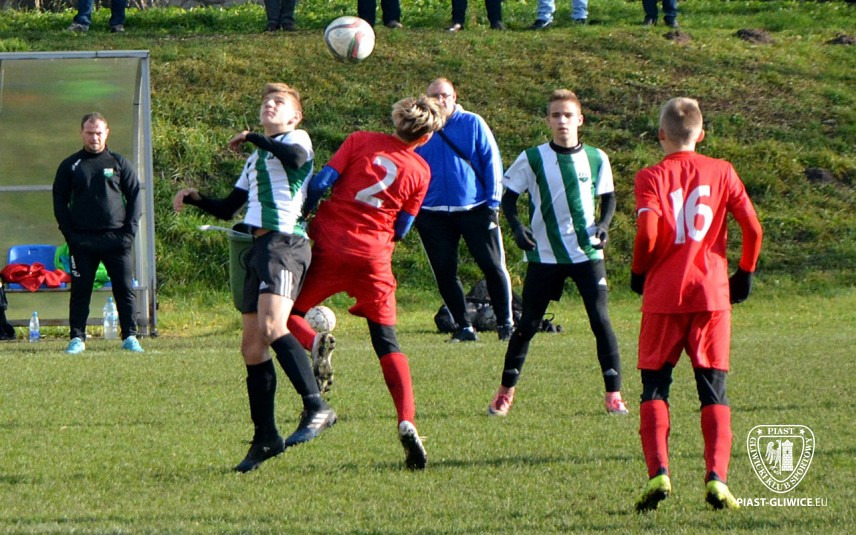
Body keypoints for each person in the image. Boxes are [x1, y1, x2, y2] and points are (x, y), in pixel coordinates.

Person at [172, 83, 334, 473]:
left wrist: (253, 137)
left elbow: (296, 159)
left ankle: (317, 406)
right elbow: (230, 208)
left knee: (273, 325)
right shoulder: (255, 159)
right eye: (265, 102)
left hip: (286, 243)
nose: (269, 105)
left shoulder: (297, 139)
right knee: (251, 347)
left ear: (295, 116)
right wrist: (195, 199)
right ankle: (265, 438)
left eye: (279, 102)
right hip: (257, 247)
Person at [284, 95, 446, 470]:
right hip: (374, 257)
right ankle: (406, 420)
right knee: (386, 341)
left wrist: (304, 213)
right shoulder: (421, 170)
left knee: (288, 314)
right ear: (425, 137)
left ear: (397, 119)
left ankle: (313, 343)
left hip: (331, 243)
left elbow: (323, 181)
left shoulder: (360, 141)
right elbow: (403, 227)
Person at [631, 97, 762, 511]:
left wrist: (638, 270)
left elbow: (648, 232)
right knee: (713, 390)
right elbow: (753, 229)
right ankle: (717, 480)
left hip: (664, 295)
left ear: (661, 135)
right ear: (701, 134)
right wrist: (745, 272)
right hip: (711, 296)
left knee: (655, 386)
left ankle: (659, 473)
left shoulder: (650, 176)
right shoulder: (722, 171)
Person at [486, 89, 628, 417]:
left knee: (600, 320)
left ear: (580, 120)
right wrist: (517, 227)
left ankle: (614, 394)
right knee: (528, 324)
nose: (562, 121)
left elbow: (608, 196)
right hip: (545, 254)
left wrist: (604, 225)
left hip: (586, 252)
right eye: (555, 115)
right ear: (548, 121)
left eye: (568, 115)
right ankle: (505, 392)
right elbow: (509, 198)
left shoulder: (596, 157)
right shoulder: (532, 157)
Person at [414, 78, 514, 343]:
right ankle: (464, 326)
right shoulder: (420, 128)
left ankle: (506, 324)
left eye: (444, 95)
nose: (440, 100)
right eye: (434, 96)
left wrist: (493, 204)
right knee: (444, 272)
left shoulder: (472, 122)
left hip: (475, 208)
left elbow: (491, 161)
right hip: (432, 211)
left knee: (492, 266)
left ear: (454, 97)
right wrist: (413, 208)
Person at [53, 112, 143, 355]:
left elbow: (135, 195)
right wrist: (70, 234)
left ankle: (130, 336)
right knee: (80, 291)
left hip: (117, 240)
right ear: (82, 133)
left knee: (124, 289)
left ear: (107, 133)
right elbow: (59, 199)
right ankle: (77, 338)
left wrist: (129, 233)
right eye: (90, 133)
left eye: (99, 133)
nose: (94, 138)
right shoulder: (71, 165)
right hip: (82, 241)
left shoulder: (118, 162)